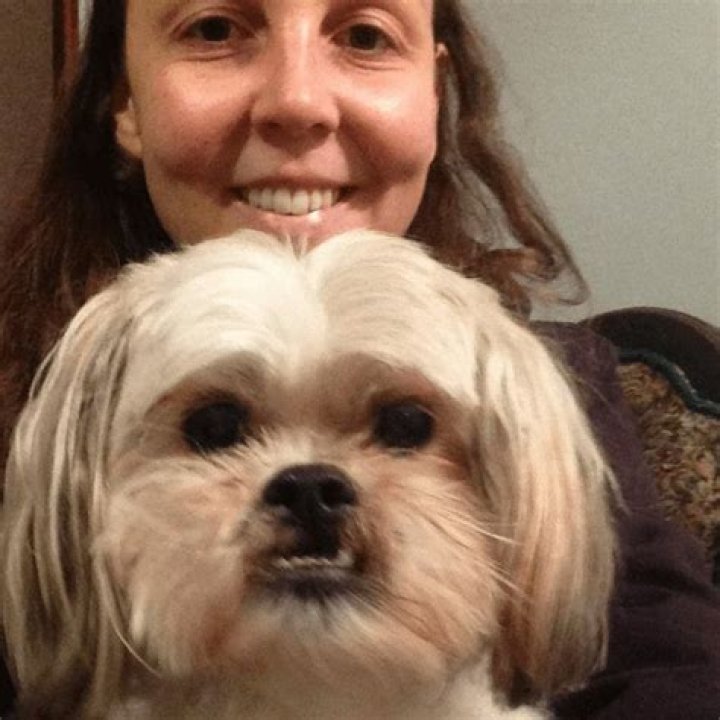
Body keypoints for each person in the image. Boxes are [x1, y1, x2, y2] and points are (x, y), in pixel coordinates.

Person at [0, 1, 718, 717]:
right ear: (123, 99)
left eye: (405, 428)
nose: (298, 103)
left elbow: (672, 663)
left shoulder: (560, 381)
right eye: (215, 429)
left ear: (434, 96)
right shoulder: (71, 389)